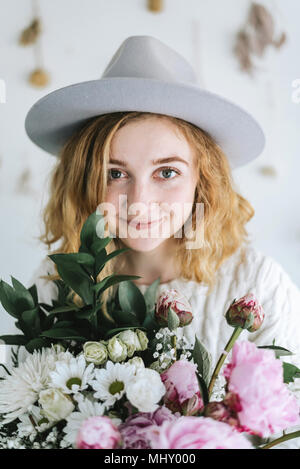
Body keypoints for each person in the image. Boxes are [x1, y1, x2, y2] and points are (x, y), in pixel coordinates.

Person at [19, 35, 300, 447]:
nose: (140, 201)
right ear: (84, 180)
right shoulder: (54, 280)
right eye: (115, 173)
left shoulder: (256, 283)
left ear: (202, 180)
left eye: (166, 172)